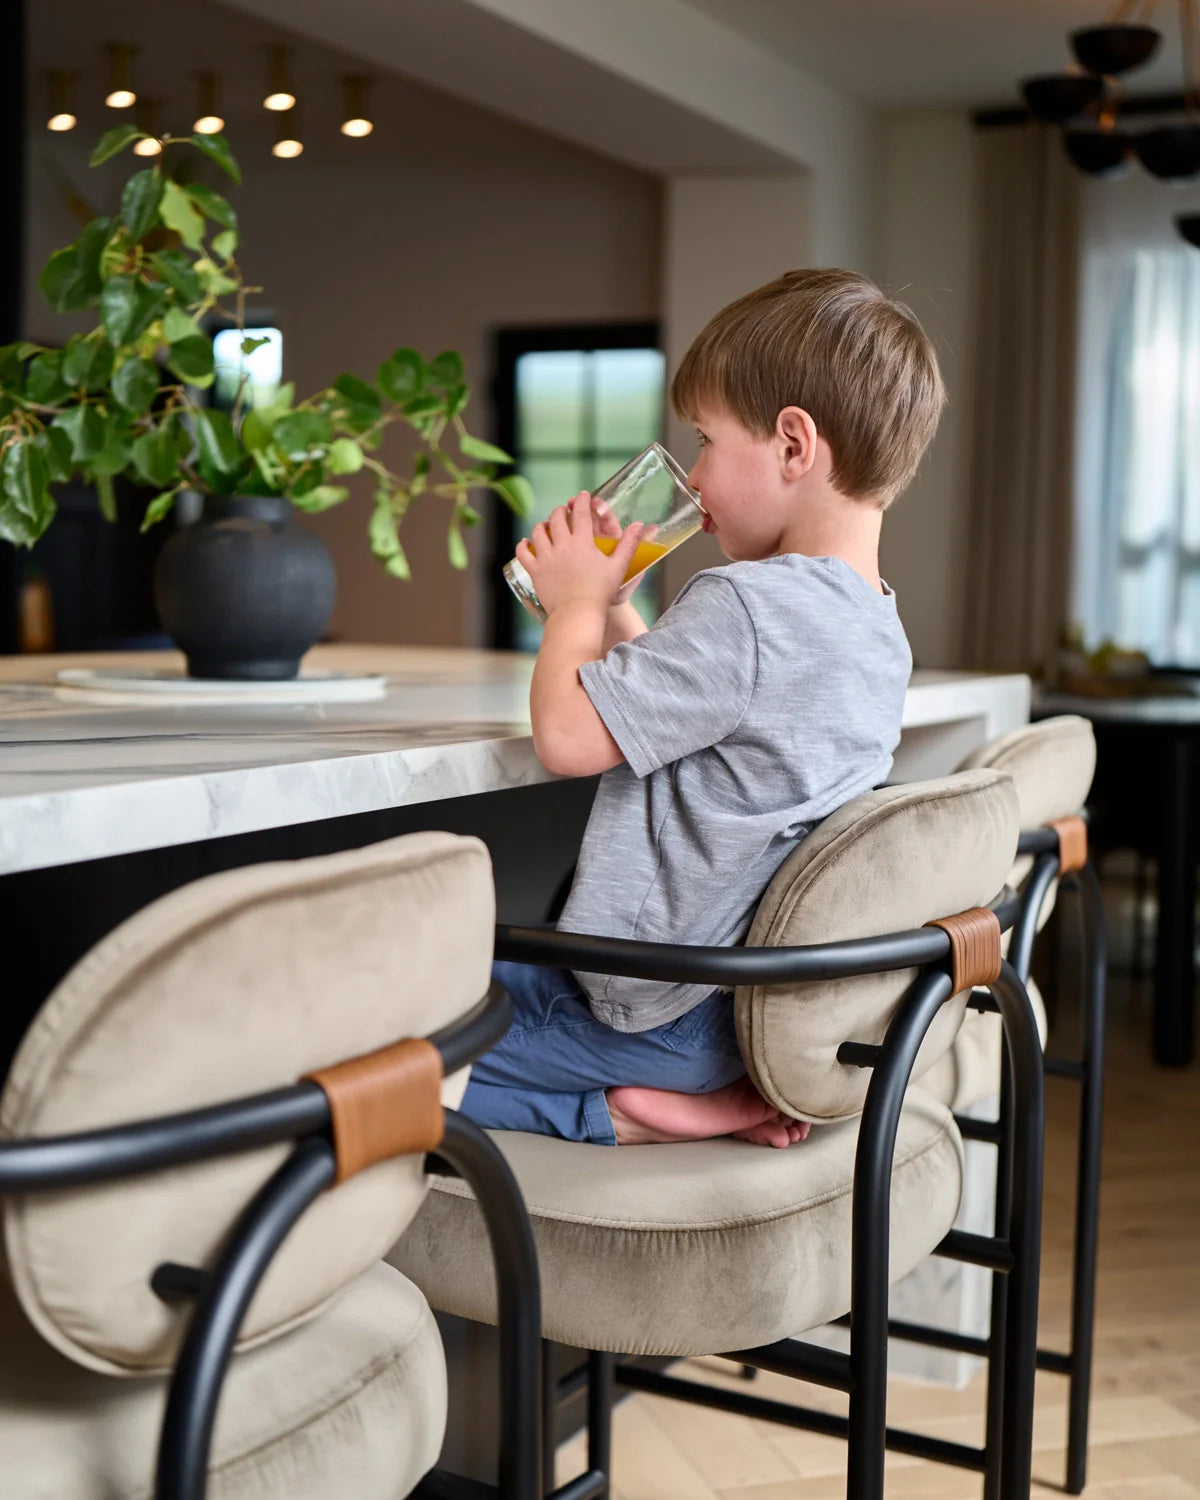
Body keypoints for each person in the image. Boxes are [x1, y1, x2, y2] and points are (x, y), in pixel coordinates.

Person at [463, 268, 945, 1147]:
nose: (691, 472)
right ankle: (687, 1102)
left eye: (705, 439)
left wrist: (570, 604)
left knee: (365, 1058)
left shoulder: (746, 604)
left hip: (640, 1009)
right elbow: (672, 708)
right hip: (737, 1019)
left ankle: (616, 1117)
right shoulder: (875, 624)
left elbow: (570, 739)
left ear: (793, 445)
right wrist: (609, 593)